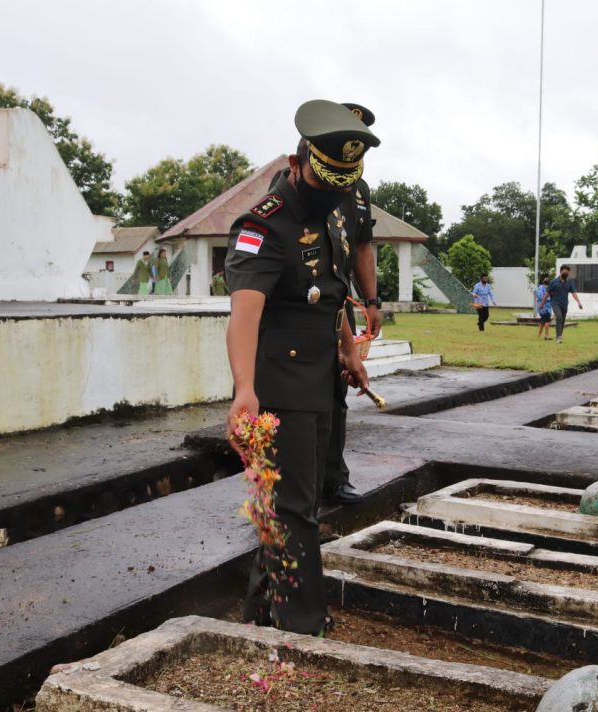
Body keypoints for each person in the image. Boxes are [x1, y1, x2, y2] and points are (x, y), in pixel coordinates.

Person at [225, 99, 377, 636]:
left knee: (291, 500)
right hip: (278, 382)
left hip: (317, 376)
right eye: (325, 181)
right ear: (298, 161)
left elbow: (331, 293)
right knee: (295, 508)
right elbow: (245, 314)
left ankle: (262, 610)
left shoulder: (334, 212)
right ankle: (302, 624)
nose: (334, 194)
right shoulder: (263, 225)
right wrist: (244, 388)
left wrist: (349, 350)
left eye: (343, 184)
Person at [321, 102, 381, 506]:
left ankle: (334, 479)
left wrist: (373, 300)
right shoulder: (300, 177)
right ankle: (291, 485)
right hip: (305, 302)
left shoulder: (358, 189)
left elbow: (362, 246)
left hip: (338, 304)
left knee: (337, 392)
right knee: (302, 397)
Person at [538, 264, 583, 343]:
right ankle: (558, 337)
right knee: (559, 317)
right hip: (555, 303)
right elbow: (547, 294)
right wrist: (542, 304)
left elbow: (573, 293)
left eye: (568, 272)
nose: (566, 273)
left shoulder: (569, 282)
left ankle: (560, 336)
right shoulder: (553, 282)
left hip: (564, 304)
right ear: (561, 272)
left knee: (562, 320)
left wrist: (579, 302)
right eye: (565, 272)